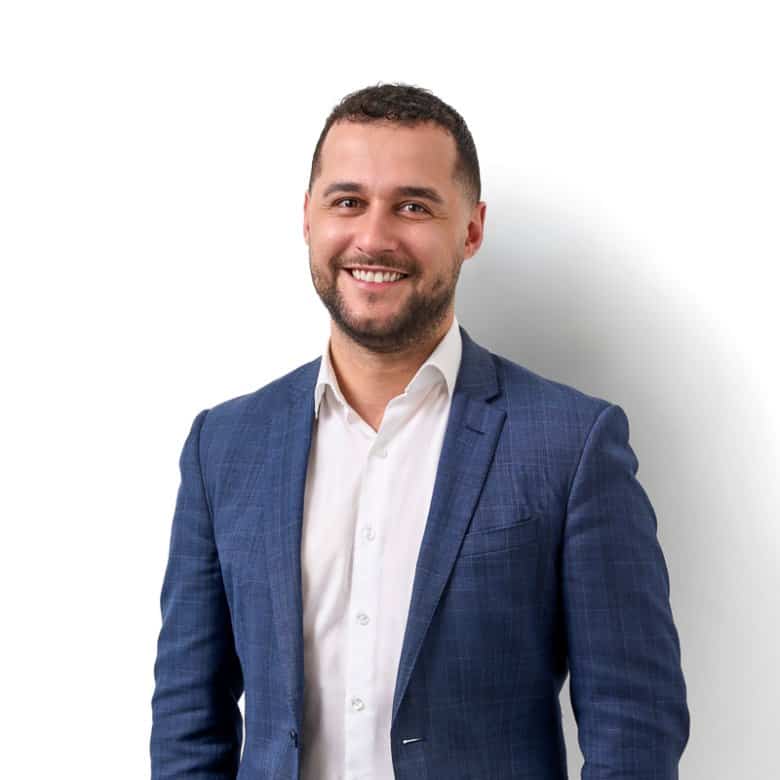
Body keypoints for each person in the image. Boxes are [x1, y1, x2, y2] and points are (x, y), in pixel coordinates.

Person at [150, 82, 690, 779]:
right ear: (308, 218)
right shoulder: (224, 447)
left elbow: (635, 729)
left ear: (471, 229)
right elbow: (189, 722)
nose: (374, 237)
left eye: (413, 206)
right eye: (348, 201)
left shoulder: (572, 445)